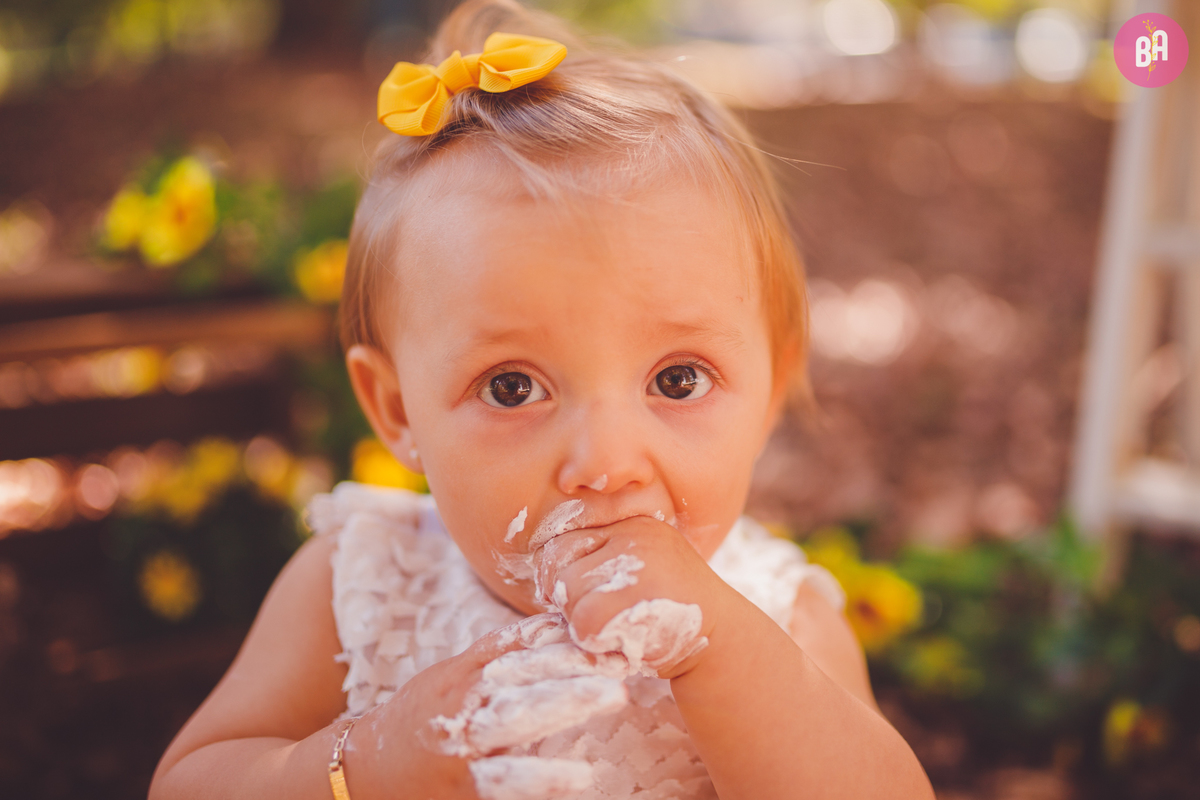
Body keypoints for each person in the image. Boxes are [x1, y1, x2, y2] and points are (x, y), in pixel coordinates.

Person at [149, 1, 935, 798]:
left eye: (677, 380)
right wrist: (367, 761)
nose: (604, 463)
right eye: (512, 387)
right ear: (396, 413)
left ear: (768, 393)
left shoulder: (782, 616)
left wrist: (723, 653)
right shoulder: (357, 585)